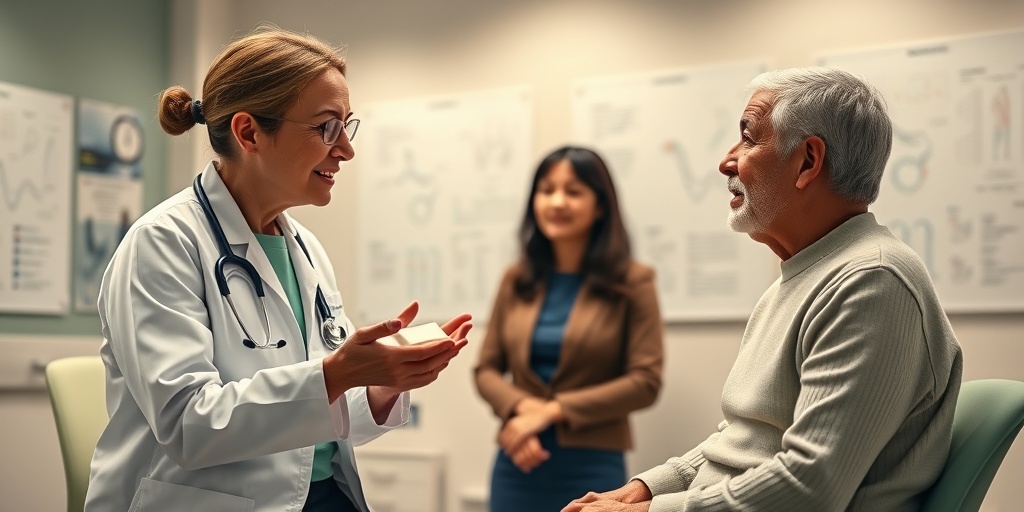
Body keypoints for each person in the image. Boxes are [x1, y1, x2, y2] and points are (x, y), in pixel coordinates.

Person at [85, 25, 472, 512]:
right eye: (326, 127)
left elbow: (320, 416)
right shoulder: (162, 244)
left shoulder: (305, 249)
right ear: (249, 132)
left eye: (347, 126)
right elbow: (189, 424)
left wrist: (381, 383)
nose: (346, 149)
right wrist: (336, 373)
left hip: (324, 496)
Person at [563, 67, 963, 512]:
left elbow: (810, 487)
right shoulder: (804, 277)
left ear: (809, 161)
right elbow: (746, 440)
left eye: (749, 138)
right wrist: (648, 488)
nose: (726, 161)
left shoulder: (873, 282)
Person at [474, 146, 665, 512]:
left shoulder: (633, 282)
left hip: (593, 464)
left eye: (573, 191)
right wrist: (523, 410)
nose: (557, 202)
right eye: (546, 190)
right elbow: (486, 369)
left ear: (600, 206)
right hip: (518, 457)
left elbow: (645, 382)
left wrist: (551, 411)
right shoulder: (516, 279)